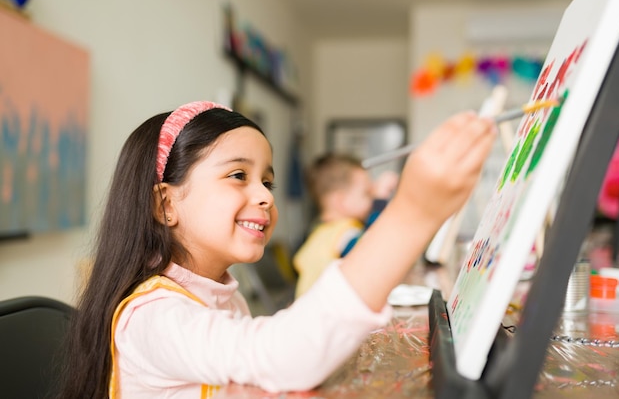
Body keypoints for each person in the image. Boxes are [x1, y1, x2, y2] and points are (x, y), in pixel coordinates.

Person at [56, 101, 496, 398]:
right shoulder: (152, 317)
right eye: (237, 176)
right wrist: (412, 213)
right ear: (165, 203)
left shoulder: (221, 293)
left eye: (267, 182)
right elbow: (283, 355)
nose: (265, 197)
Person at [293, 153, 398, 298]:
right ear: (340, 201)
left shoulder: (320, 231)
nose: (371, 198)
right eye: (367, 193)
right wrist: (380, 200)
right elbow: (370, 250)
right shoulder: (342, 233)